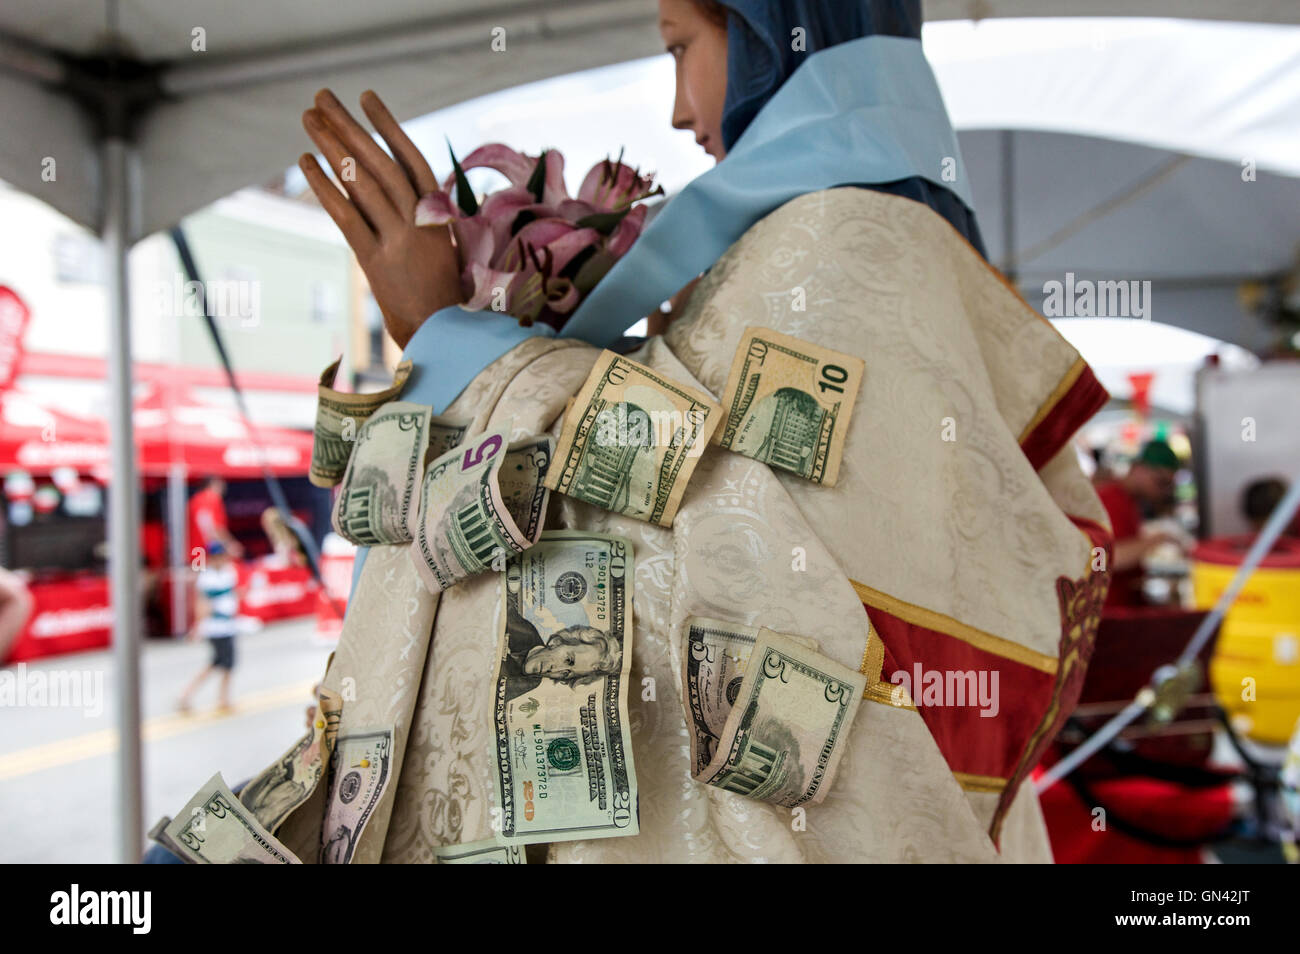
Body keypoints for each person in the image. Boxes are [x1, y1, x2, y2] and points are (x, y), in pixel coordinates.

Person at [284, 0, 1113, 863]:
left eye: (682, 45)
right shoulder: (910, 247)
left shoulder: (830, 240)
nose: (681, 110)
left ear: (768, 29)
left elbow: (680, 539)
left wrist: (447, 335)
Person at [1094, 439, 1185, 607]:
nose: (1163, 491)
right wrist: (1157, 539)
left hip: (1127, 605)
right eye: (1161, 482)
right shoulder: (1108, 499)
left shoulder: (1130, 501)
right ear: (1139, 468)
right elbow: (1101, 559)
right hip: (1111, 612)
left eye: (1168, 485)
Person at [177, 542, 242, 713]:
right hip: (216, 626)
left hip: (228, 625)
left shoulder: (229, 572)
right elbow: (202, 603)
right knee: (220, 663)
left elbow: (232, 596)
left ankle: (219, 698)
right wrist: (198, 626)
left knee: (223, 663)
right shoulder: (207, 577)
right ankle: (193, 695)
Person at [188, 476, 244, 560]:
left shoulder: (194, 500)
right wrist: (229, 545)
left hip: (196, 553)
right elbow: (213, 527)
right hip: (209, 554)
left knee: (199, 570)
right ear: (214, 484)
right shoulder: (212, 498)